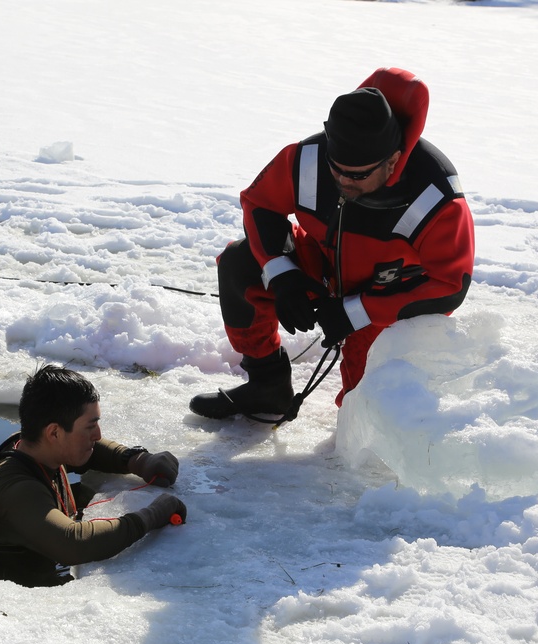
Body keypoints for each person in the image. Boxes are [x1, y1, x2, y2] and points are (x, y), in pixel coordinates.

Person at [190, 67, 475, 420]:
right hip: (322, 270)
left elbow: (450, 286)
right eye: (335, 168)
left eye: (357, 175)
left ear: (393, 160)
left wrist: (358, 311)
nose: (342, 181)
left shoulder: (437, 198)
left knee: (361, 412)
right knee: (240, 262)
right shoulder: (309, 157)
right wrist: (283, 274)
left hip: (386, 299)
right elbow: (260, 202)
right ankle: (267, 386)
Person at [0, 365, 186, 587]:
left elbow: (88, 453)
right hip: (19, 593)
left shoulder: (35, 445)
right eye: (90, 427)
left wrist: (136, 459)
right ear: (54, 432)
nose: (98, 434)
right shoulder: (17, 489)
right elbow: (74, 544)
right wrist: (152, 515)